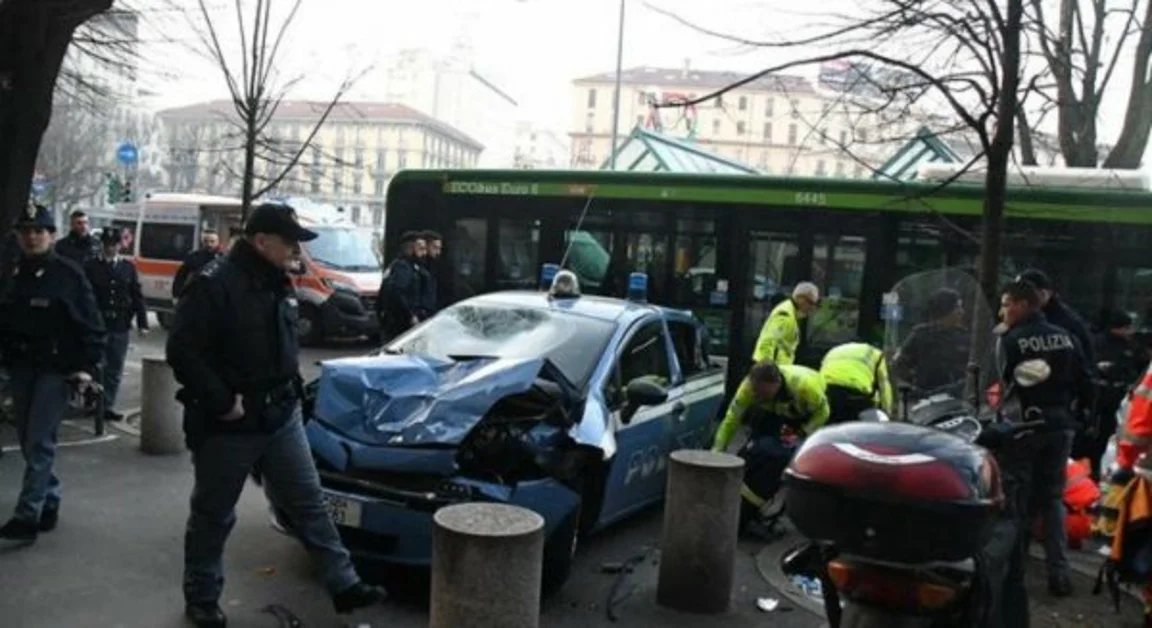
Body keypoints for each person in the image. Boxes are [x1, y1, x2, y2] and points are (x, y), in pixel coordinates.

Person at [166, 203, 383, 627]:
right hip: (230, 423)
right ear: (261, 241)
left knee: (309, 504)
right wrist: (223, 402)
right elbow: (183, 352)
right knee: (214, 516)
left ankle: (344, 585)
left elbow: (283, 351)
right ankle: (202, 597)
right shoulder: (214, 283)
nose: (296, 249)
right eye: (289, 242)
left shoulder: (278, 281)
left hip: (281, 417)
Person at [0, 203, 105, 544]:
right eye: (25, 231)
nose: (31, 237)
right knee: (30, 440)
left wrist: (88, 368)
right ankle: (51, 497)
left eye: (38, 231)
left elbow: (91, 324)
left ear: (52, 235)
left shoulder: (68, 274)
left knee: (38, 441)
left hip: (57, 369)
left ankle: (27, 516)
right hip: (21, 367)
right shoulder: (14, 272)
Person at [997, 279, 1093, 610]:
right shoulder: (1067, 338)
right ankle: (1059, 573)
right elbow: (1086, 382)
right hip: (1060, 426)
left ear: (1025, 304)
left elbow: (999, 385)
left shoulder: (1011, 340)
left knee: (1018, 497)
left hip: (1023, 428)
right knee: (1052, 499)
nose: (1003, 311)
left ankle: (1015, 571)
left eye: (1008, 303)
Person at [711, 361, 830, 530]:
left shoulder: (805, 388)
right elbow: (731, 420)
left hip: (800, 413)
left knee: (779, 457)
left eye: (762, 392)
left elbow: (823, 412)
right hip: (773, 411)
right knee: (757, 448)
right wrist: (718, 451)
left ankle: (760, 501)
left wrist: (803, 433)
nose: (756, 395)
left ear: (776, 384)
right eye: (755, 391)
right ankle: (741, 488)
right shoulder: (748, 390)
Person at [84, 227, 148, 422]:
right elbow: (85, 296)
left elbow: (136, 295)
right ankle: (93, 400)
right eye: (107, 245)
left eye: (114, 245)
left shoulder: (127, 267)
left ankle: (107, 405)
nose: (111, 248)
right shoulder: (91, 266)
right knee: (96, 365)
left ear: (120, 246)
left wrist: (142, 321)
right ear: (102, 245)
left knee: (114, 368)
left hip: (119, 323)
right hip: (98, 323)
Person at [1086, 311, 1145, 479]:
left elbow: (1138, 365)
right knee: (1101, 437)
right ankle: (1096, 470)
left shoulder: (1130, 345)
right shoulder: (1100, 343)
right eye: (1126, 328)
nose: (1129, 331)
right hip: (1104, 398)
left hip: (1123, 396)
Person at [891, 288, 972, 397]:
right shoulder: (921, 335)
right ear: (946, 309)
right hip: (927, 400)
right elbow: (899, 366)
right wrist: (914, 385)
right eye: (957, 307)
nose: (962, 312)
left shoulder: (965, 337)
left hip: (957, 400)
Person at [819, 341, 893, 424]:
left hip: (826, 390)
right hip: (855, 393)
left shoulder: (834, 350)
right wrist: (887, 413)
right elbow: (884, 387)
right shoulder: (877, 354)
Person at [752, 282, 820, 365]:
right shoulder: (785, 314)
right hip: (773, 368)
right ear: (800, 298)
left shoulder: (791, 312)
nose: (812, 307)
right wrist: (767, 367)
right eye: (810, 302)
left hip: (776, 367)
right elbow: (769, 340)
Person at [375, 231, 426, 340]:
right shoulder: (402, 267)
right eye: (420, 248)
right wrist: (410, 315)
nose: (424, 253)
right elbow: (398, 293)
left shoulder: (408, 265)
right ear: (410, 248)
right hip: (400, 322)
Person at [172, 229, 223, 301]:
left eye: (212, 241)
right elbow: (181, 276)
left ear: (217, 242)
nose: (209, 244)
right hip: (197, 297)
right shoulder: (194, 257)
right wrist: (176, 295)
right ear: (202, 242)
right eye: (206, 241)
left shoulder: (223, 259)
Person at [418, 229, 443, 318]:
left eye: (439, 249)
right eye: (435, 248)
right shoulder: (418, 267)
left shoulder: (433, 266)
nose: (438, 252)